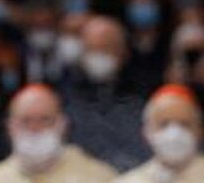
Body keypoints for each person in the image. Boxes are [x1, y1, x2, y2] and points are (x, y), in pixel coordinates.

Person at [59, 15, 150, 172]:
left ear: (123, 51)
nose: (98, 55)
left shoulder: (144, 97)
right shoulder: (63, 99)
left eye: (105, 48)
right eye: (92, 49)